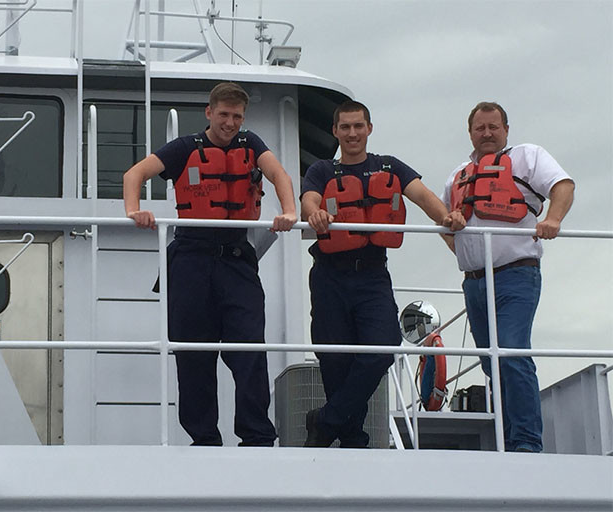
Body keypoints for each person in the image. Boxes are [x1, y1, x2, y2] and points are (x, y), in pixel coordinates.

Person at [122, 82, 297, 446]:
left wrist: (290, 211)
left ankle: (257, 436)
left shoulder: (252, 145)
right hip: (191, 259)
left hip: (237, 260)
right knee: (193, 354)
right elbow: (133, 175)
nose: (230, 123)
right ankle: (203, 438)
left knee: (249, 349)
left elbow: (279, 174)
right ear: (209, 113)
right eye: (224, 115)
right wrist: (133, 210)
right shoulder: (185, 148)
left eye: (236, 116)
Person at [301, 100, 465, 448]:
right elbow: (309, 200)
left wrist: (446, 218)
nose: (352, 133)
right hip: (330, 275)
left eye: (358, 126)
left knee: (382, 348)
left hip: (372, 274)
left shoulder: (390, 167)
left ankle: (326, 421)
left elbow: (422, 195)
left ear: (369, 129)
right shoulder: (321, 171)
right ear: (335, 132)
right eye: (344, 127)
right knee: (334, 359)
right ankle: (352, 439)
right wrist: (315, 214)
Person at [441, 101, 574, 452]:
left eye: (493, 127)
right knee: (490, 362)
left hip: (516, 275)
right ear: (470, 133)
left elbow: (563, 186)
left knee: (512, 353)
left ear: (506, 130)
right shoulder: (457, 176)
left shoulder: (528, 156)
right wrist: (465, 250)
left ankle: (527, 444)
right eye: (479, 128)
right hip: (473, 282)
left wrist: (554, 219)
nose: (486, 133)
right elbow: (444, 222)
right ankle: (509, 436)